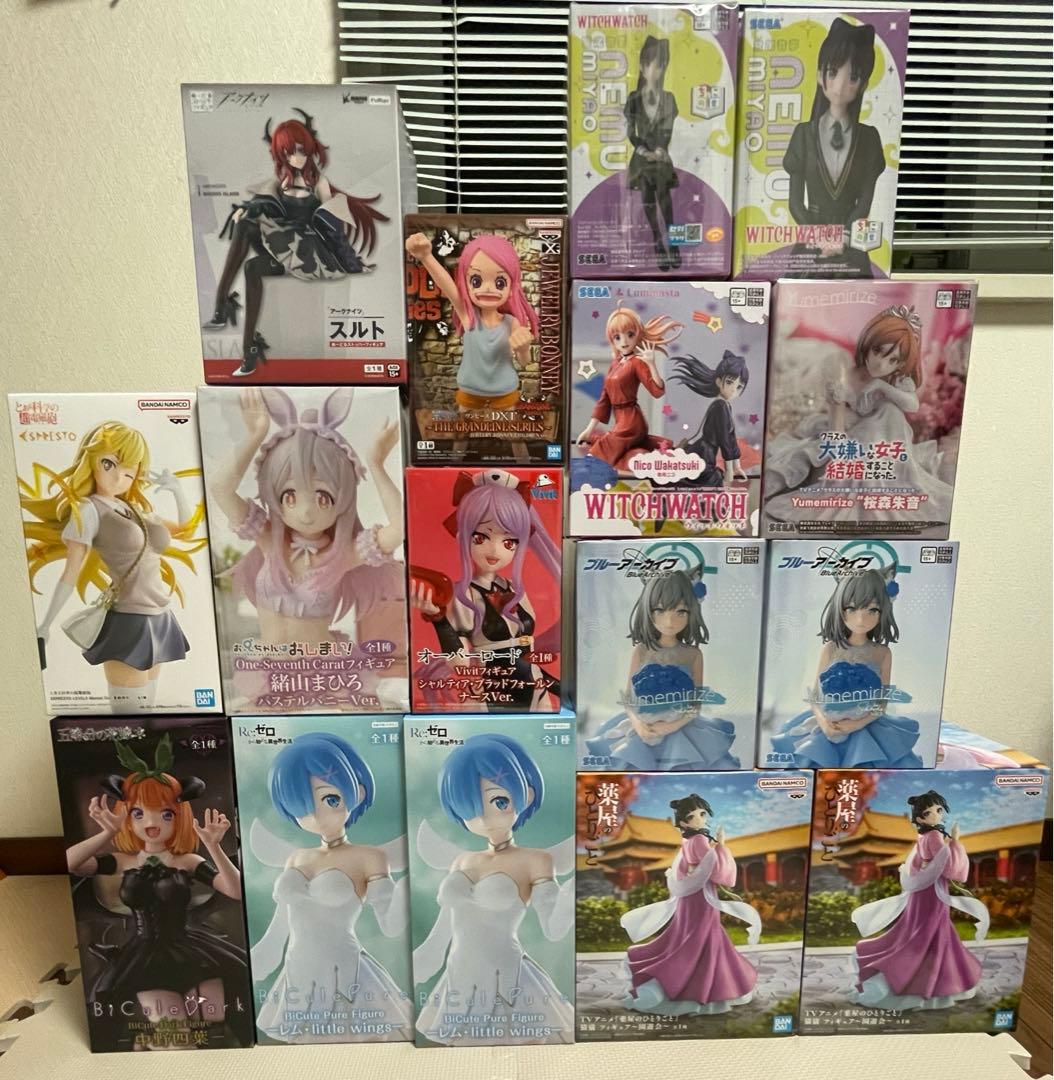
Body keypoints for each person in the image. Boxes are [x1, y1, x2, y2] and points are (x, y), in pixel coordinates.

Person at [208, 387, 407, 711]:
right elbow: (220, 488)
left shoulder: (342, 554)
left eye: (323, 496)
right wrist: (255, 436)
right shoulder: (269, 539)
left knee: (359, 723)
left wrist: (377, 464)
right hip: (272, 670)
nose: (306, 512)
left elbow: (399, 528)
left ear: (342, 499)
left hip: (329, 671)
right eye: (289, 495)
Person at [64, 735, 246, 1049]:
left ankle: (152, 1043)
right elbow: (71, 863)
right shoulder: (123, 861)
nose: (152, 822)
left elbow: (236, 891)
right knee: (177, 1035)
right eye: (138, 813)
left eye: (165, 813)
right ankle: (150, 1043)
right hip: (143, 957)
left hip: (190, 949)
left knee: (214, 1021)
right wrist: (107, 832)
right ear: (127, 817)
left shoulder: (187, 861)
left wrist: (213, 847)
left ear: (179, 817)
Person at [21, 420, 204, 712]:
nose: (119, 477)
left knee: (147, 714)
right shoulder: (89, 510)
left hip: (160, 617)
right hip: (128, 622)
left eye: (129, 472)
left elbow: (186, 529)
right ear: (91, 460)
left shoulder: (132, 508)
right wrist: (45, 625)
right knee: (130, 719)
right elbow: (71, 572)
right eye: (109, 464)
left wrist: (177, 490)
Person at [249, 732, 412, 1042]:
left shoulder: (369, 857)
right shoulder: (298, 857)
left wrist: (404, 890)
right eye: (301, 804)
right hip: (298, 969)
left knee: (357, 1043)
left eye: (330, 799)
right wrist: (258, 959)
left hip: (345, 968)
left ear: (357, 792)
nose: (316, 813)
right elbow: (280, 927)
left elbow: (390, 927)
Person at [413, 733, 574, 1044]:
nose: (485, 818)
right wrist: (429, 954)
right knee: (463, 1049)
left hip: (506, 970)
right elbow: (447, 922)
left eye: (499, 801)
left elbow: (553, 929)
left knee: (517, 1044)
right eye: (470, 807)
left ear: (526, 794)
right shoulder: (463, 860)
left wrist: (568, 900)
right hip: (460, 970)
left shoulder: (535, 861)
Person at [205, 111, 387, 376]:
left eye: (300, 150)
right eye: (289, 153)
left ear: (310, 148)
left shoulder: (319, 183)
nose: (295, 157)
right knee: (244, 225)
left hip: (305, 255)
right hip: (279, 246)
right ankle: (222, 306)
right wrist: (244, 210)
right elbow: (261, 205)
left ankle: (248, 350)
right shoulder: (279, 183)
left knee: (252, 268)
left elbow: (332, 226)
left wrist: (351, 262)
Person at [620, 793, 759, 1015]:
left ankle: (690, 986)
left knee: (693, 938)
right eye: (694, 816)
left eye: (703, 814)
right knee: (700, 939)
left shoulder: (688, 841)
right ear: (684, 823)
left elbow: (697, 867)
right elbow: (717, 872)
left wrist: (713, 851)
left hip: (690, 898)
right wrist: (722, 846)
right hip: (700, 898)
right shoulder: (700, 840)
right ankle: (687, 987)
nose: (701, 819)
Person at [770, 566, 922, 768]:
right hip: (828, 723)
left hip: (865, 726)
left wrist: (856, 724)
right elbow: (815, 696)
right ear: (840, 609)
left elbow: (881, 704)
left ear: (883, 610)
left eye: (872, 610)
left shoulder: (882, 653)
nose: (861, 619)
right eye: (851, 609)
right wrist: (824, 723)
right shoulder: (831, 648)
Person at [850, 790, 988, 1010]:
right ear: (921, 819)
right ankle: (927, 985)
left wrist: (940, 854)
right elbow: (951, 869)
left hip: (921, 893)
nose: (937, 814)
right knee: (930, 934)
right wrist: (956, 842)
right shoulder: (934, 836)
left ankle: (928, 983)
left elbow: (918, 866)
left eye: (939, 810)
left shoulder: (922, 837)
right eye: (930, 812)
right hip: (932, 893)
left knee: (920, 932)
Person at [782, 18, 885, 275]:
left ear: (864, 84)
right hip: (811, 242)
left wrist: (843, 238)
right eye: (833, 72)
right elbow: (795, 203)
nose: (840, 86)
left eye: (853, 77)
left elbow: (864, 203)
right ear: (820, 75)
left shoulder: (869, 139)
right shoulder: (803, 134)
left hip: (850, 244)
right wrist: (819, 236)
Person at [625, 36, 680, 271]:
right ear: (642, 67)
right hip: (641, 161)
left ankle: (674, 245)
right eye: (650, 65)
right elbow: (630, 131)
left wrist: (660, 149)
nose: (655, 71)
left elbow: (668, 129)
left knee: (666, 205)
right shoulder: (633, 99)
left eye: (660, 66)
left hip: (661, 160)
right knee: (648, 204)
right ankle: (658, 244)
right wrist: (642, 150)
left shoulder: (668, 98)